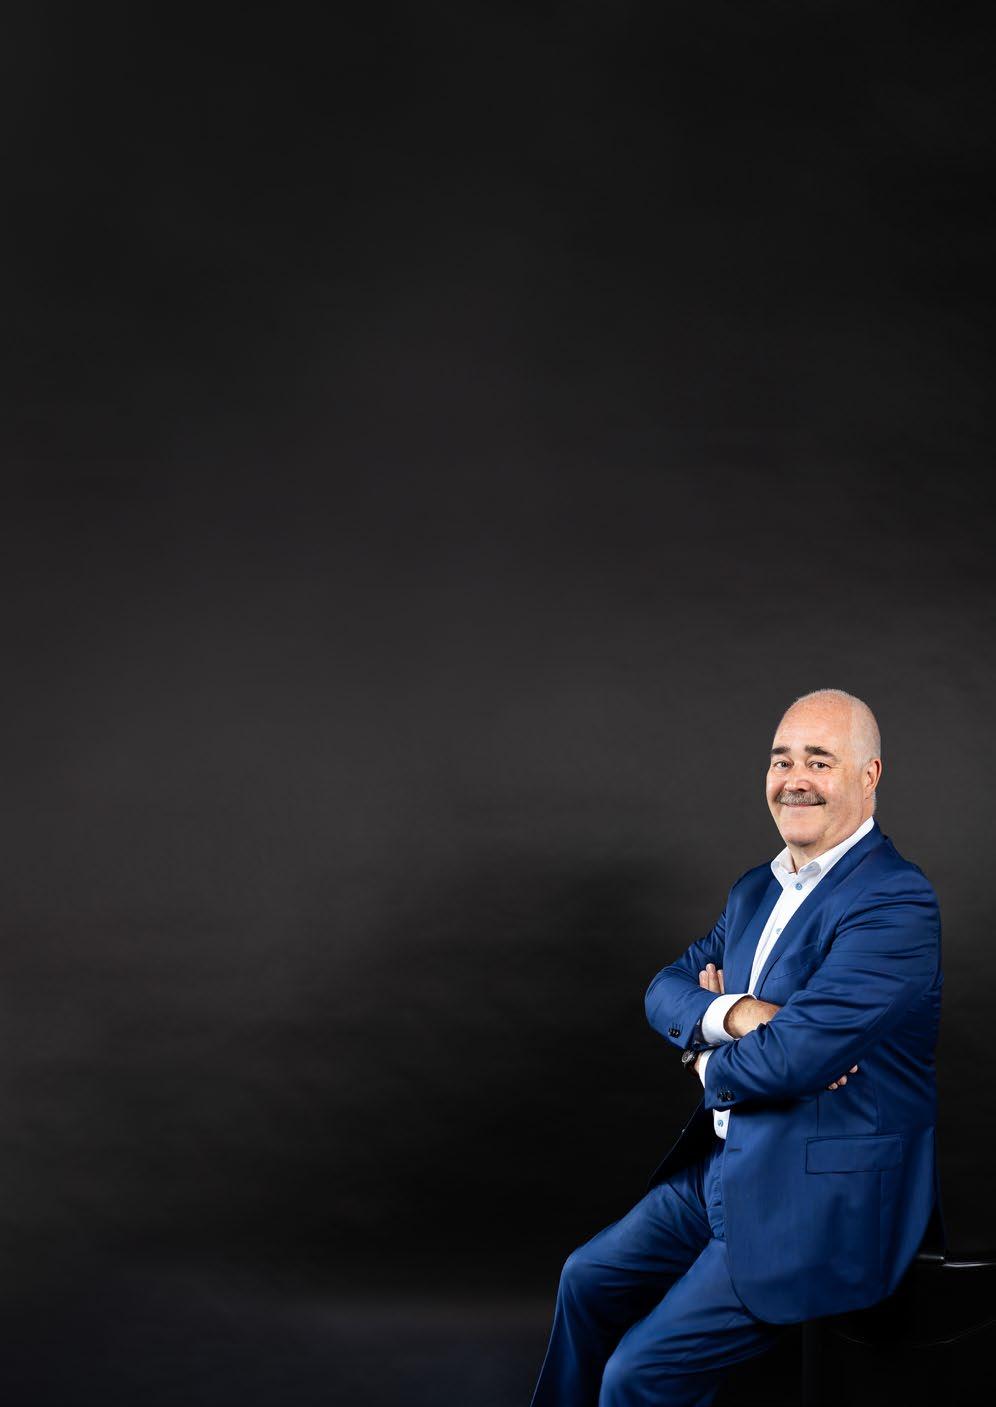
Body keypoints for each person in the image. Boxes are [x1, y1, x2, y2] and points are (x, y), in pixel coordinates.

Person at [530, 688, 943, 1407]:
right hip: (725, 1167)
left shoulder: (895, 902)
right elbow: (663, 989)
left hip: (816, 1197)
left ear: (869, 774)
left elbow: (791, 1060)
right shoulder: (756, 890)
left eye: (819, 761)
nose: (794, 779)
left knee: (637, 1373)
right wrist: (744, 1011)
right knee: (584, 1278)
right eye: (782, 760)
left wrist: (701, 1049)